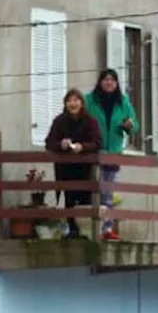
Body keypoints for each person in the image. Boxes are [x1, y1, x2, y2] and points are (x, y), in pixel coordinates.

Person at [84, 68, 139, 241]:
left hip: (114, 153)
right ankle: (90, 229)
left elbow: (135, 126)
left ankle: (107, 229)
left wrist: (129, 125)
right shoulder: (89, 100)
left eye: (113, 80)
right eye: (106, 79)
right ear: (100, 82)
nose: (109, 83)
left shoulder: (123, 102)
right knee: (94, 190)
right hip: (93, 152)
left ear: (117, 84)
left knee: (109, 193)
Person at [45, 88, 103, 239]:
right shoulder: (59, 121)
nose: (73, 103)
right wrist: (61, 145)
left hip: (85, 169)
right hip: (65, 169)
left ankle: (88, 232)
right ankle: (71, 230)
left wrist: (83, 147)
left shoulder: (91, 121)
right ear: (65, 103)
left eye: (76, 100)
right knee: (68, 199)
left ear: (82, 103)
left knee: (85, 199)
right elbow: (49, 142)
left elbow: (98, 142)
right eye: (69, 100)